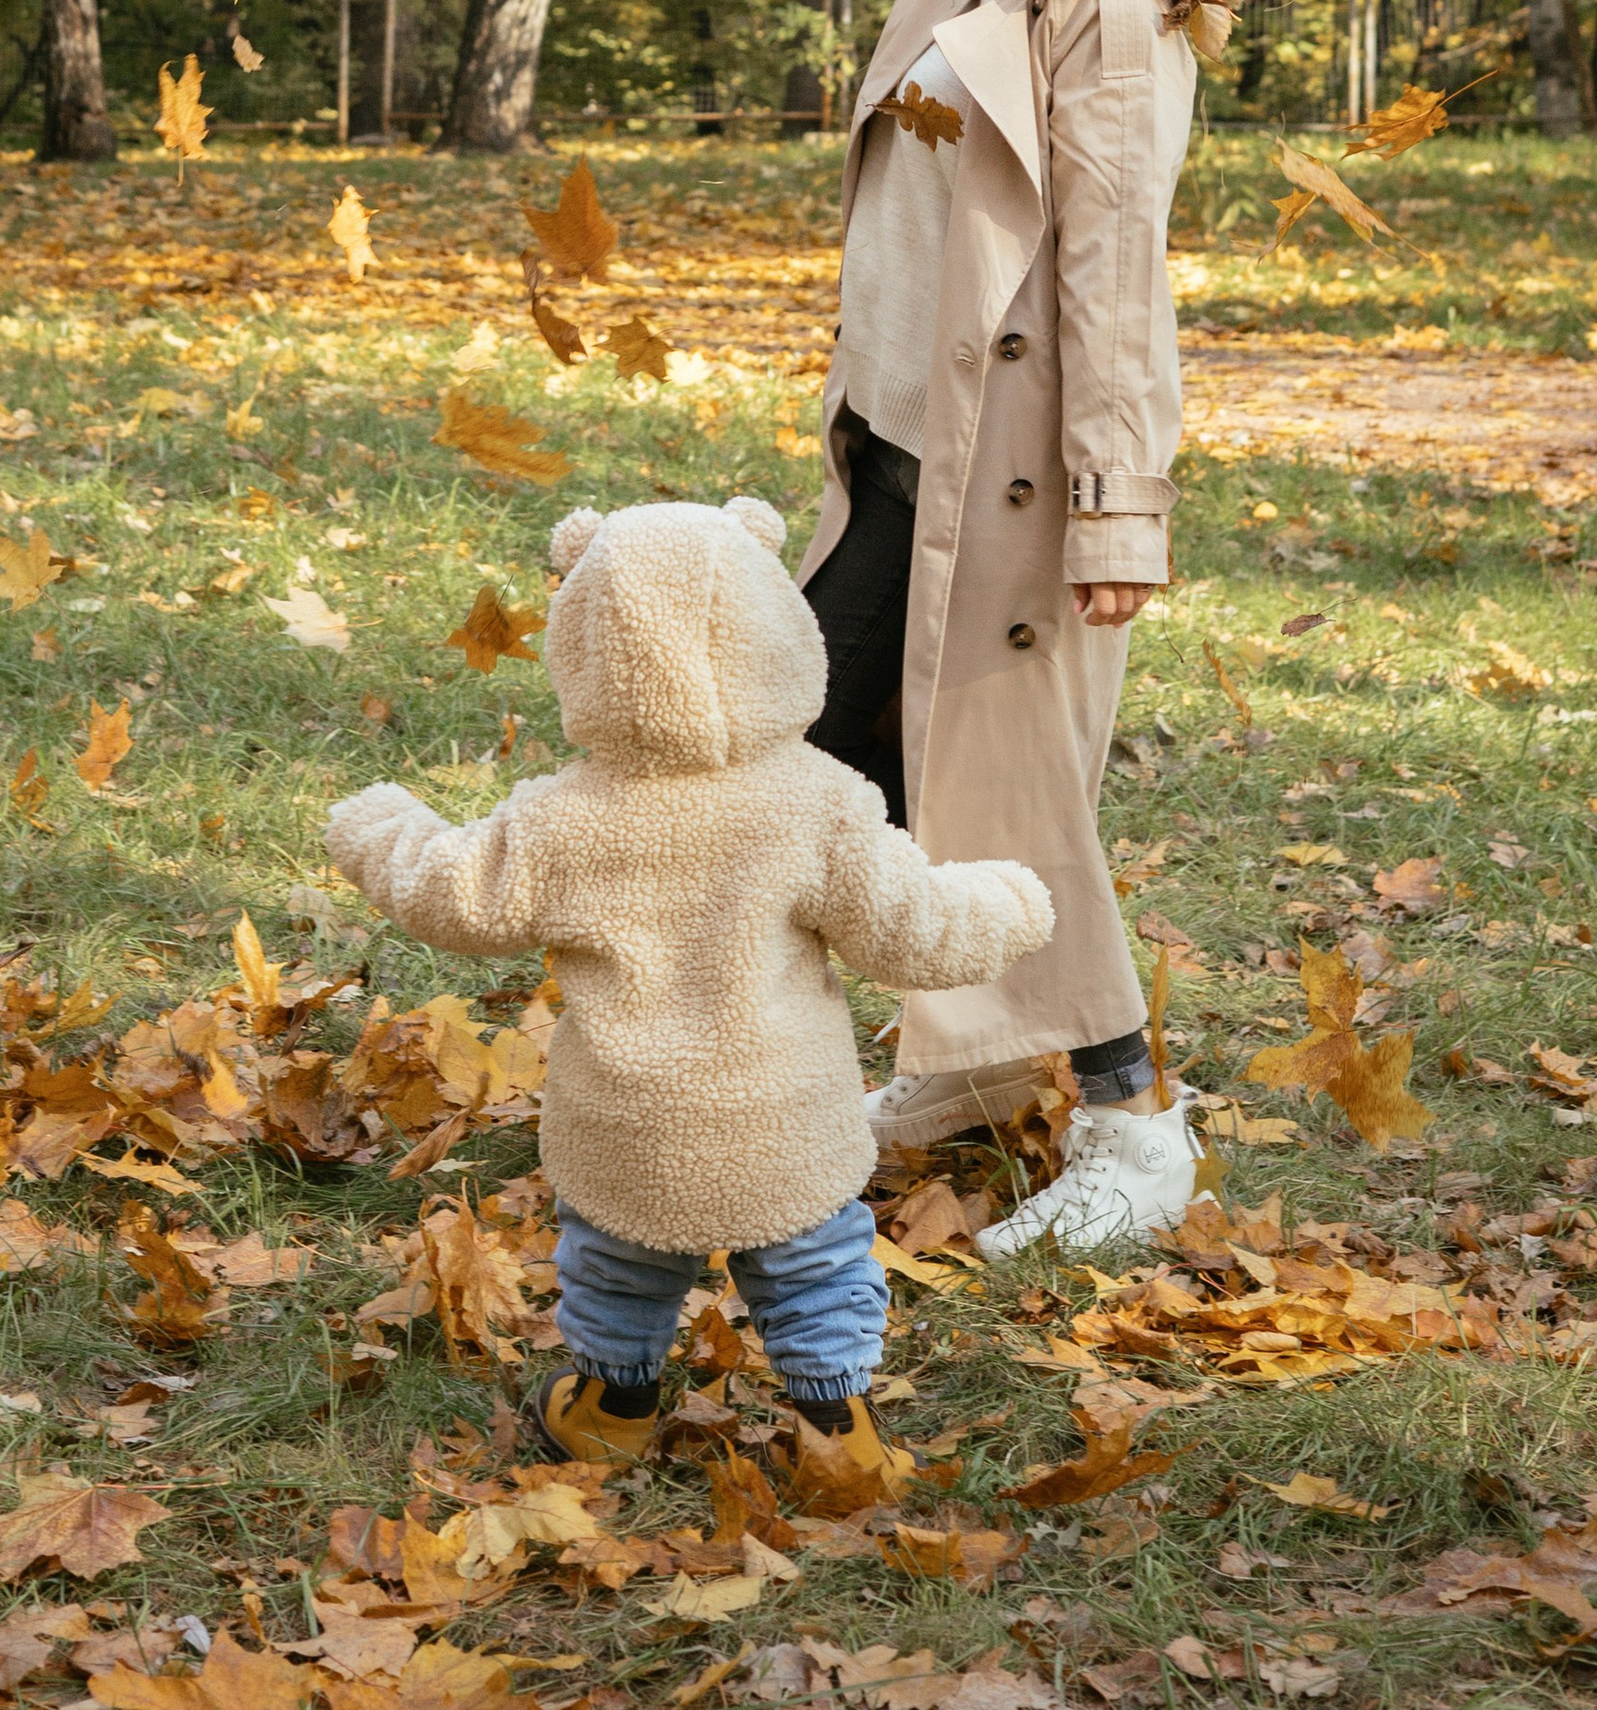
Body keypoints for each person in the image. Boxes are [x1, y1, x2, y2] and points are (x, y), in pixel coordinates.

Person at [704, 0, 1233, 1258]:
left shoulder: (1111, 2)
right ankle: (955, 1062)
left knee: (993, 796)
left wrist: (1114, 513)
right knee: (853, 760)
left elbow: (1113, 271)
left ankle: (1129, 1121)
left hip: (1016, 474)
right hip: (891, 441)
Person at [326, 492, 1053, 1475]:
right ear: (776, 631)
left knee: (617, 1266)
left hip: (630, 1127)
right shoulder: (818, 804)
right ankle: (836, 1429)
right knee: (814, 1269)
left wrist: (381, 827)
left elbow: (453, 896)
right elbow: (910, 931)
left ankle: (613, 1408)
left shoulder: (564, 819)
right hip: (783, 1122)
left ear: (588, 645)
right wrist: (1009, 900)